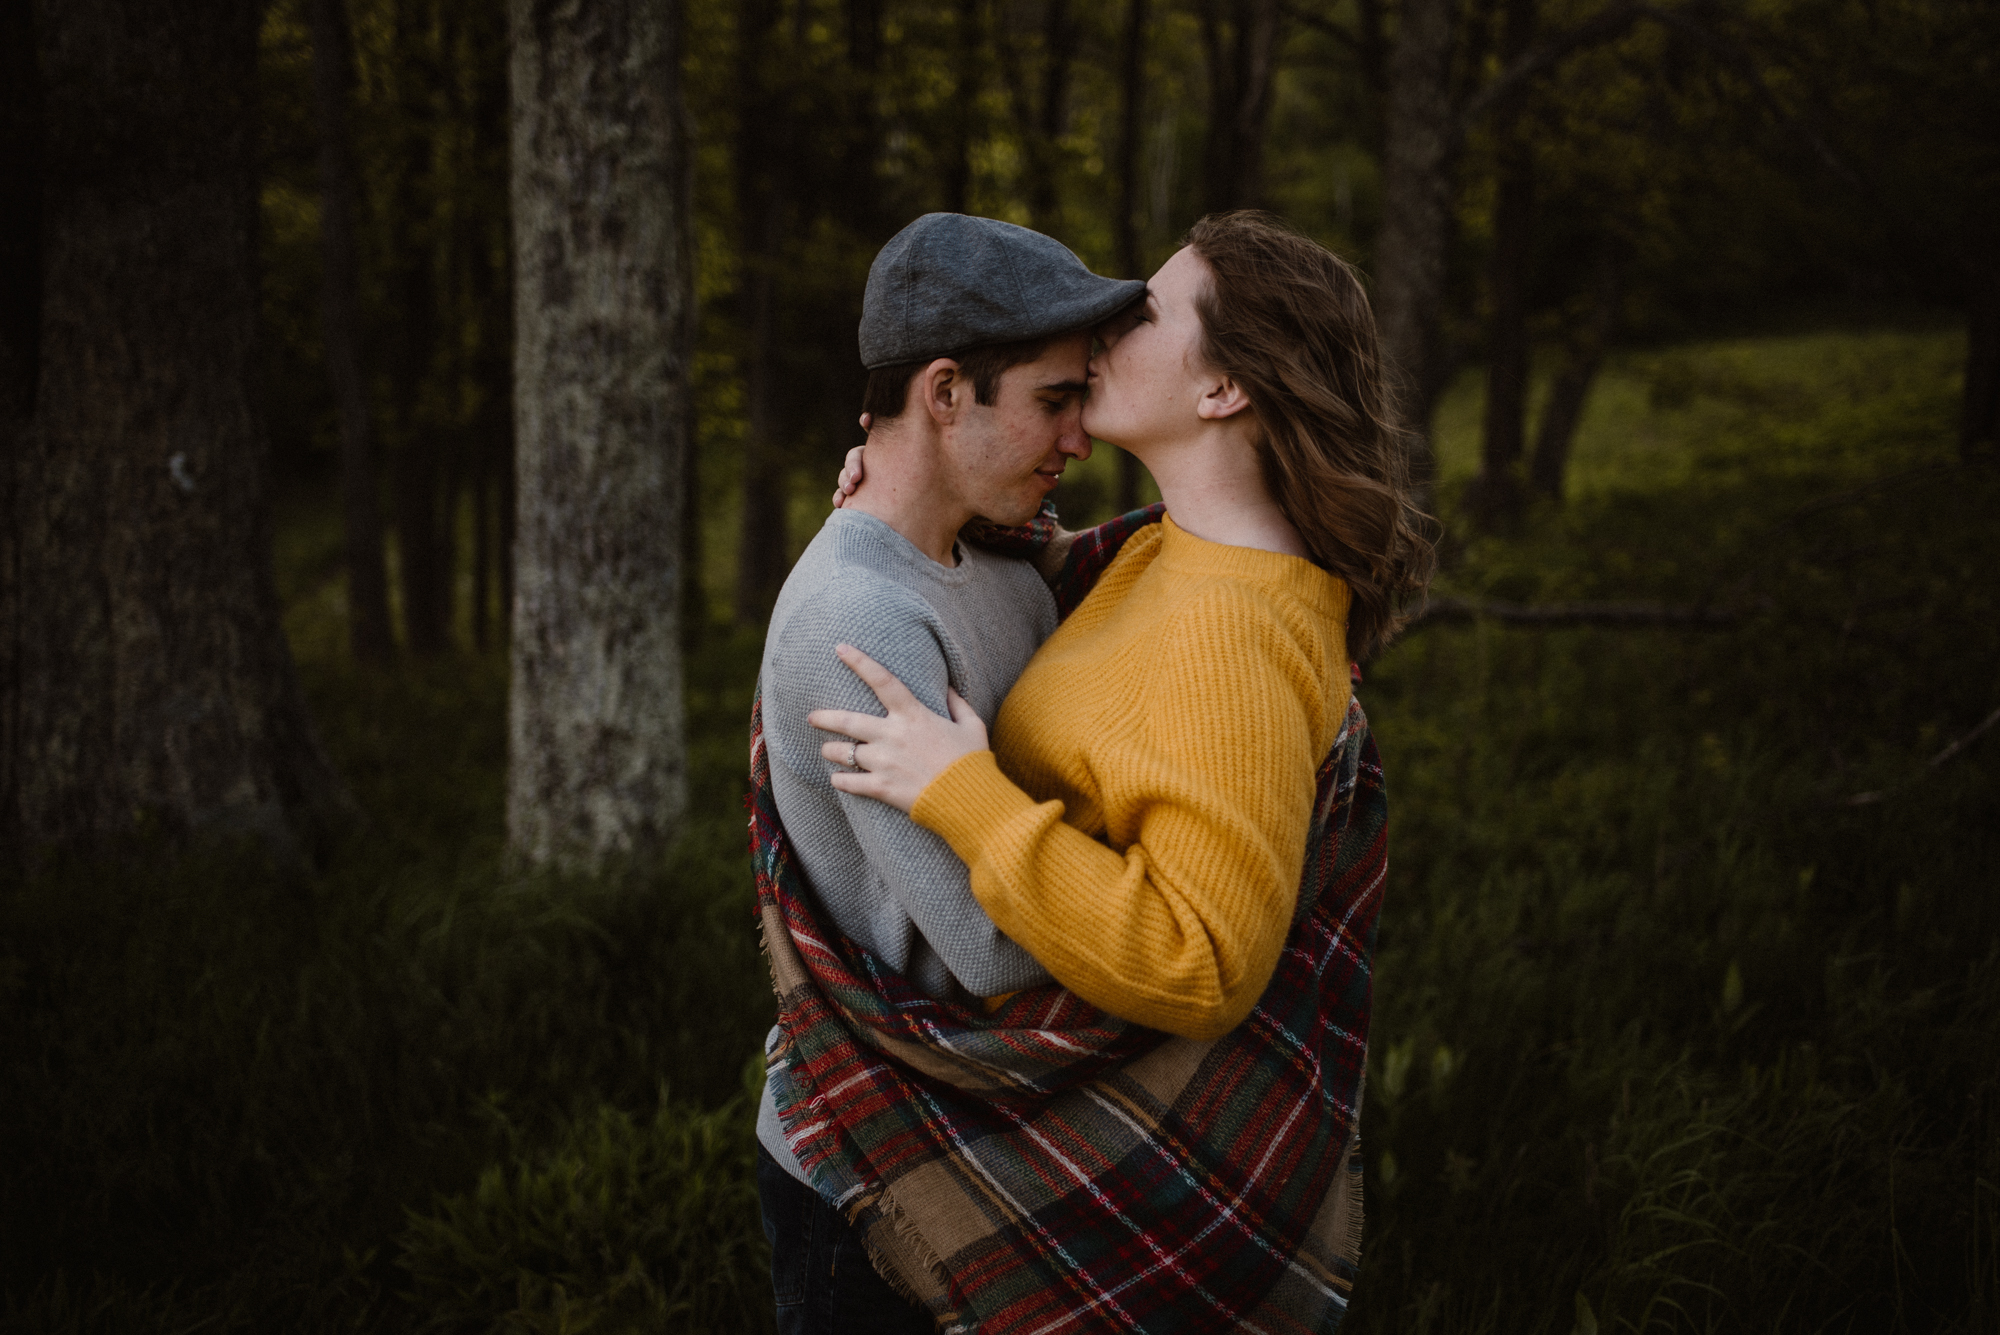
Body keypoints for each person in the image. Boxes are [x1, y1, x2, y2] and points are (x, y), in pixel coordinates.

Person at [793, 210, 1433, 1331]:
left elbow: (1199, 965)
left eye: (1142, 314)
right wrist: (908, 499)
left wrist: (966, 796)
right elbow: (1060, 609)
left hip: (1007, 1158)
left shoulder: (1231, 631)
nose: (1101, 335)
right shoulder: (1174, 547)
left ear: (1223, 388)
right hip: (955, 1147)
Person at [750, 211, 1146, 1335]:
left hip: (981, 1151)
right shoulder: (859, 614)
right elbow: (986, 948)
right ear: (942, 393)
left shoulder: (986, 551)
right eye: (1053, 400)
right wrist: (1154, 874)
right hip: (874, 1176)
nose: (1079, 436)